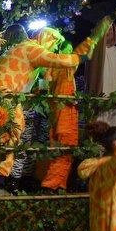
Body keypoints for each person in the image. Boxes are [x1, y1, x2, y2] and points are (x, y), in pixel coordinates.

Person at [0, 15, 112, 194]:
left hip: (6, 95)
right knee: (14, 131)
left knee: (13, 132)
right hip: (5, 95)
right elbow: (61, 60)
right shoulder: (33, 49)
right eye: (55, 45)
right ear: (48, 39)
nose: (55, 50)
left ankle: (0, 177)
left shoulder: (27, 50)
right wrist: (81, 56)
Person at [38, 28, 84, 192]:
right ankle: (50, 186)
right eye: (68, 50)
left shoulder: (51, 69)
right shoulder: (65, 66)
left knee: (60, 151)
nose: (71, 54)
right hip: (65, 115)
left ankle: (58, 186)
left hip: (56, 115)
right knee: (65, 151)